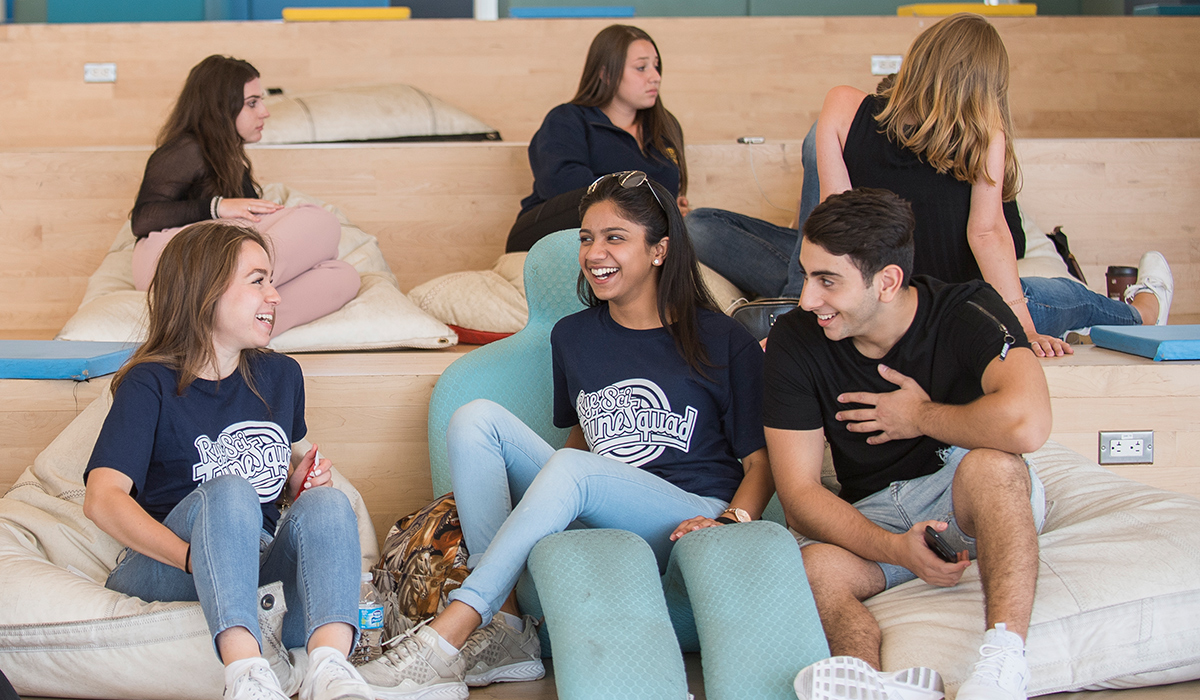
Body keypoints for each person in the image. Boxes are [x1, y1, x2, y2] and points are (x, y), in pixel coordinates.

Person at [358, 171, 774, 699]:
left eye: (615, 237)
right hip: (600, 501)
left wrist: (731, 521)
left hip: (685, 514)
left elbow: (761, 463)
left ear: (660, 250)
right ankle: (508, 631)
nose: (594, 252)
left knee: (575, 469)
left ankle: (448, 636)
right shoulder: (573, 336)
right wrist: (546, 500)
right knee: (473, 418)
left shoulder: (720, 337)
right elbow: (584, 436)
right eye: (586, 237)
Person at [767, 188, 1051, 700]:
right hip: (875, 515)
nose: (808, 299)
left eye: (827, 281)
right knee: (813, 567)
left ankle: (1003, 668)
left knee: (995, 466)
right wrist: (896, 549)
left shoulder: (967, 309)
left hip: (965, 494)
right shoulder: (797, 338)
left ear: (888, 282)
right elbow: (800, 495)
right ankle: (866, 683)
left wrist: (920, 416)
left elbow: (1028, 425)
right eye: (807, 275)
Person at [83, 222, 371, 700]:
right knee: (231, 490)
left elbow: (276, 481)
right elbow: (102, 499)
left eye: (271, 280)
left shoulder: (281, 375)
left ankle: (331, 669)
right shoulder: (149, 384)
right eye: (258, 281)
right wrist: (195, 558)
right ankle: (246, 675)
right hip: (172, 565)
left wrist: (295, 484)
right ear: (204, 291)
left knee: (330, 505)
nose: (275, 296)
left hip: (256, 560)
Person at [815, 13, 1172, 357]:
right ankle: (1145, 312)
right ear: (987, 84)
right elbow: (987, 234)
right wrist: (1023, 330)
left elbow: (833, 225)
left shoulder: (842, 105)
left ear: (919, 56)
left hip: (879, 311)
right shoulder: (985, 136)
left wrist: (823, 313)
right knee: (1066, 296)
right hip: (962, 314)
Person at [130, 55, 360, 337]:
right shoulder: (186, 149)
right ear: (219, 108)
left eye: (261, 101)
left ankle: (229, 326)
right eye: (252, 103)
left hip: (214, 260)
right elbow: (142, 219)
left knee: (343, 276)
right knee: (320, 221)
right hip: (171, 260)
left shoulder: (230, 161)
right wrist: (219, 207)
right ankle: (226, 298)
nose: (264, 112)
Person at [505, 25, 689, 253]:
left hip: (636, 236)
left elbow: (670, 190)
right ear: (606, 73)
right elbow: (559, 183)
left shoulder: (666, 126)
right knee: (595, 197)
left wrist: (670, 207)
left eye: (656, 67)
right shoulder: (567, 119)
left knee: (700, 221)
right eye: (641, 68)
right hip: (552, 229)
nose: (655, 77)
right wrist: (652, 205)